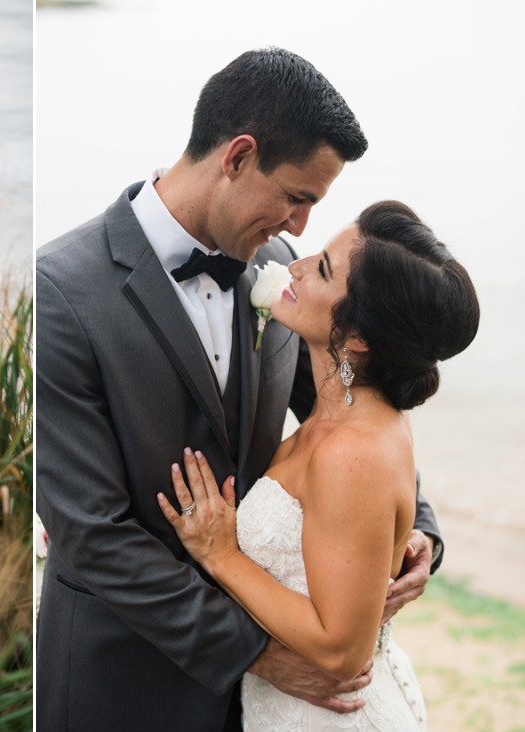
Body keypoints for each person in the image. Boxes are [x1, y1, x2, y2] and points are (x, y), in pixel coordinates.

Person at [35, 48, 443, 731]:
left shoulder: (289, 276)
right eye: (297, 197)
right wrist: (255, 652)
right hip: (123, 681)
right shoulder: (58, 293)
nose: (299, 228)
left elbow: (349, 413)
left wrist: (419, 528)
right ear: (237, 156)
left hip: (269, 703)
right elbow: (91, 533)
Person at [159, 201, 479, 730]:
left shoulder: (351, 452)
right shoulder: (350, 416)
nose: (296, 266)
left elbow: (341, 652)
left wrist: (221, 555)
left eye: (323, 269)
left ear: (358, 338)